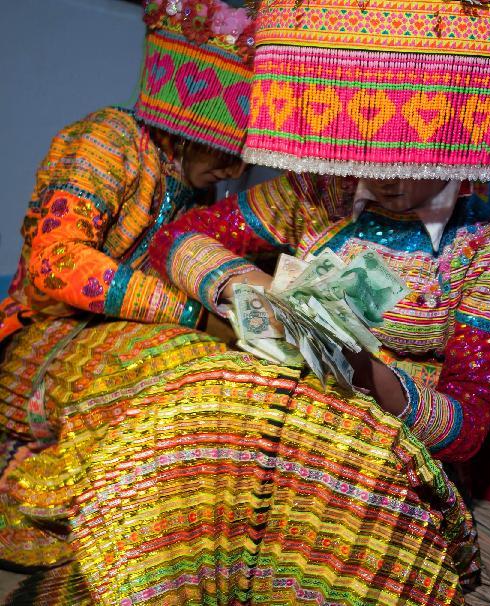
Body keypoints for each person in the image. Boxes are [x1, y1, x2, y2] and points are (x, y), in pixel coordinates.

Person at [0, 1, 490, 603]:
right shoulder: (321, 191)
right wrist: (241, 288)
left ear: (462, 148)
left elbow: (466, 429)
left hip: (379, 436)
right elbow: (180, 237)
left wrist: (367, 374)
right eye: (368, 151)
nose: (383, 176)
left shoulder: (488, 252)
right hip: (263, 390)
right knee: (190, 434)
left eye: (411, 161)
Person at [0, 0, 254, 569]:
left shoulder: (195, 185)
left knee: (214, 372)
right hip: (40, 336)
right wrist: (192, 318)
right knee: (174, 363)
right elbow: (56, 261)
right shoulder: (106, 139)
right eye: (230, 151)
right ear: (191, 124)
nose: (236, 171)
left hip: (121, 340)